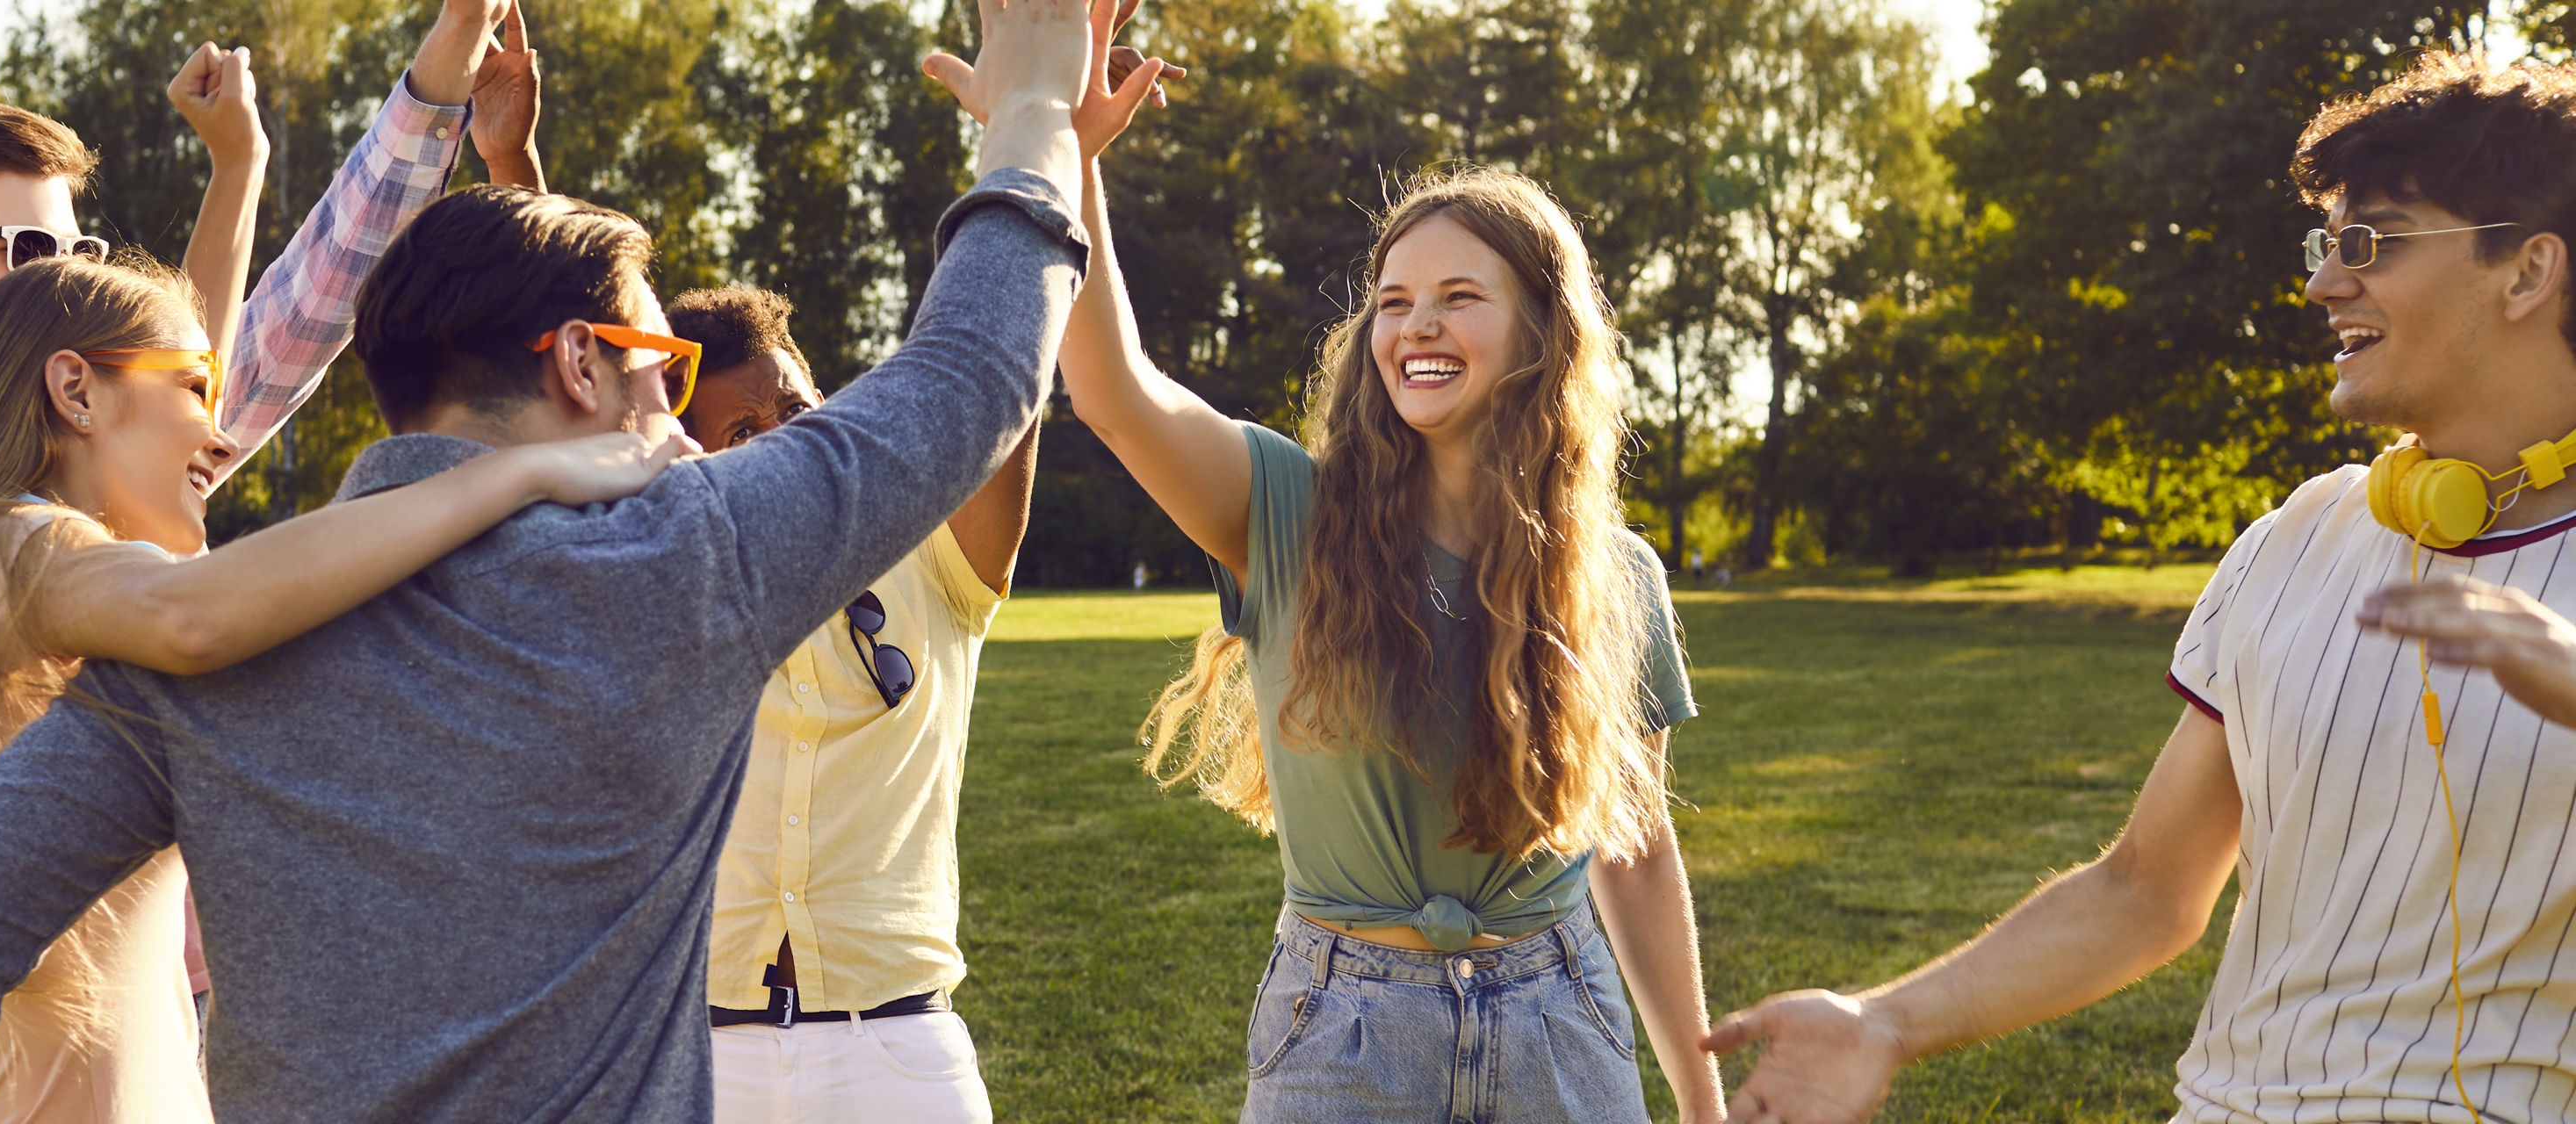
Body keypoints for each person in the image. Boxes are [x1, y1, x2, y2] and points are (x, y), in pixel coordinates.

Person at [0, 0, 1109, 1117]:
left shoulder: (204, 641)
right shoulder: (686, 560)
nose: (676, 414)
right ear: (583, 365)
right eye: (663, 368)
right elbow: (973, 374)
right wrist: (1034, 118)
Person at [1701, 52, 2576, 1124]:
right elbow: (2145, 889)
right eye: (2324, 245)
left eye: (2371, 245)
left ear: (2528, 273)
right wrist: (1886, 1018)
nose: (2322, 284)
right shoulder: (2298, 535)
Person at [0, 256, 689, 1120]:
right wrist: (525, 471)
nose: (220, 436)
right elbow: (196, 616)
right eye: (193, 386)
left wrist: (240, 161)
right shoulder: (0, 548)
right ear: (75, 392)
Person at [1050, 157, 1726, 1116]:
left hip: (1563, 1021)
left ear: (1544, 328)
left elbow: (1638, 848)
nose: (1416, 326)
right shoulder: (1285, 507)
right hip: (1342, 1030)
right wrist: (1068, 152)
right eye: (1394, 300)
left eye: (1459, 296)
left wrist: (1704, 1099)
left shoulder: (1617, 578)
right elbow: (1114, 392)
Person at [0, 0, 541, 668]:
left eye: (83, 251)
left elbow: (303, 312)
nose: (70, 278)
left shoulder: (107, 421)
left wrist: (456, 38)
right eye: (31, 251)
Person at [667, 285, 1035, 1121]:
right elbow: (577, 400)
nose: (788, 442)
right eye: (740, 433)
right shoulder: (660, 585)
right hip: (702, 1056)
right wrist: (516, 178)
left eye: (798, 409)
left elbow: (1007, 379)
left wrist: (1039, 168)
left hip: (900, 1051)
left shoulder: (935, 557)